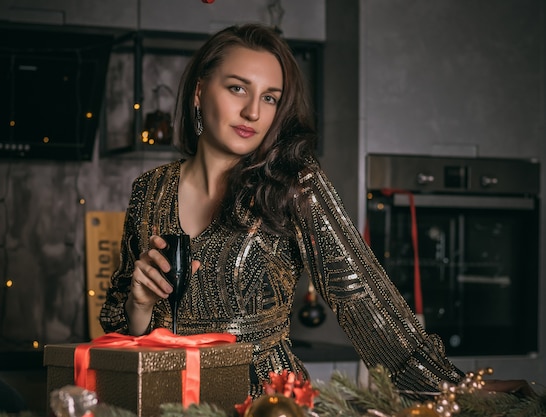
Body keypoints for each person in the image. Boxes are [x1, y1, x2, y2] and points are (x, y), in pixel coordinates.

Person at [99, 23, 529, 399]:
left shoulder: (293, 184)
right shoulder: (149, 190)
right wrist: (139, 304)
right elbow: (121, 323)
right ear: (199, 90)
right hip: (165, 398)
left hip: (268, 404)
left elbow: (359, 294)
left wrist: (448, 384)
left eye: (270, 98)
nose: (252, 111)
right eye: (237, 88)